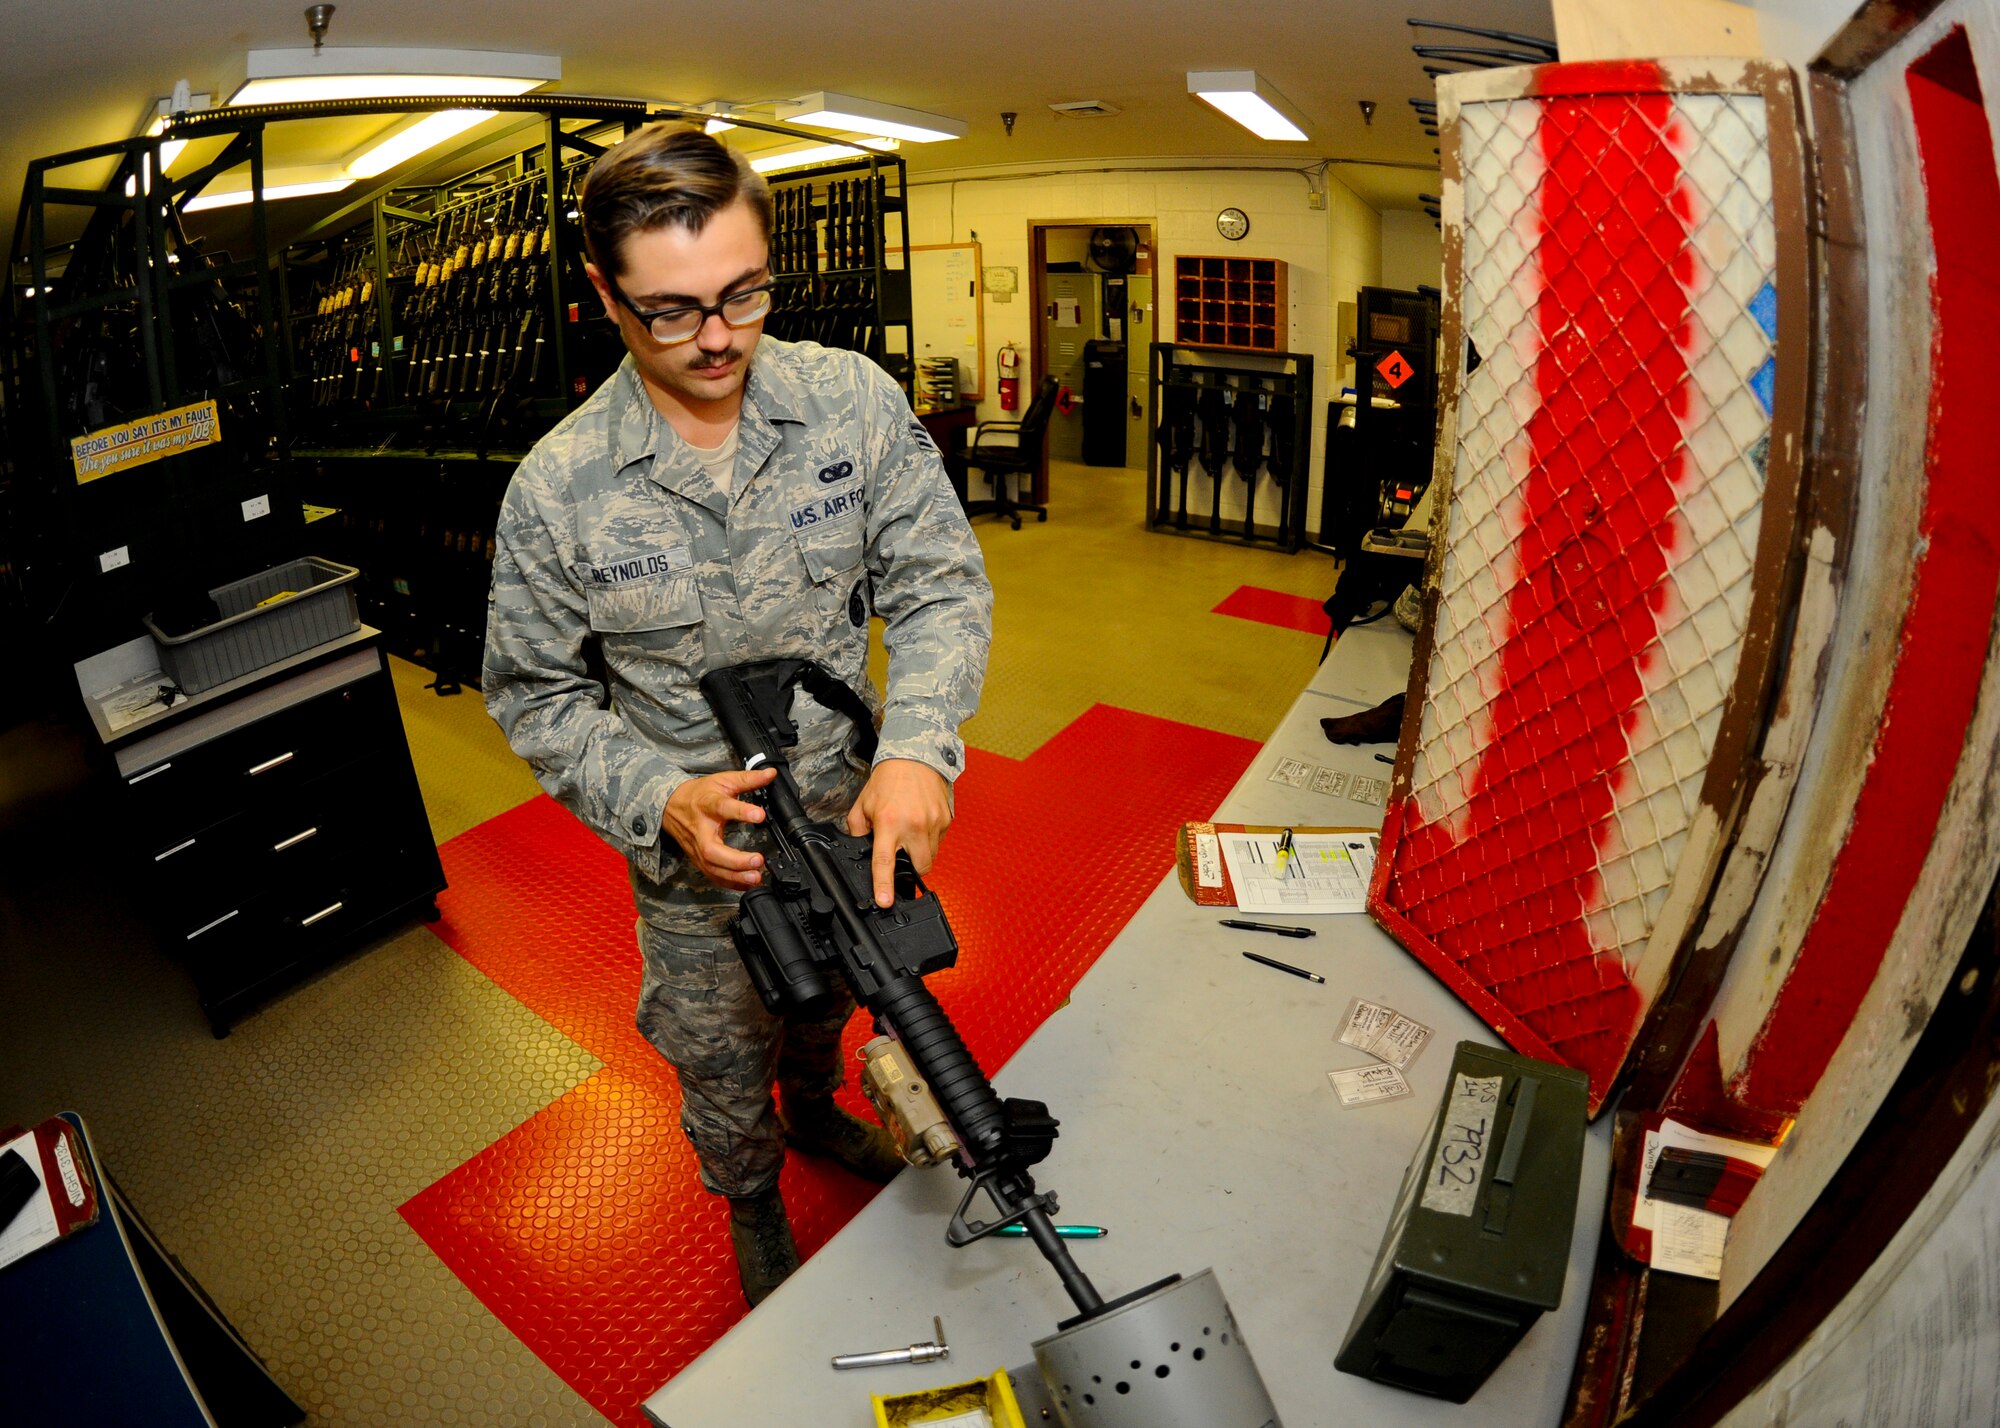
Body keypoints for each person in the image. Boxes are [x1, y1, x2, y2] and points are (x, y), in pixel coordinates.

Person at [482, 124, 993, 1307]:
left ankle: (814, 1115)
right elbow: (537, 693)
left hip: (855, 817)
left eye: (742, 294)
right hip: (700, 866)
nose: (717, 339)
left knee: (832, 1008)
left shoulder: (849, 404)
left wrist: (917, 749)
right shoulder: (559, 488)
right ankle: (754, 1203)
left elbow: (938, 585)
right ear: (604, 295)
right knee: (719, 1056)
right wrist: (656, 797)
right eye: (670, 310)